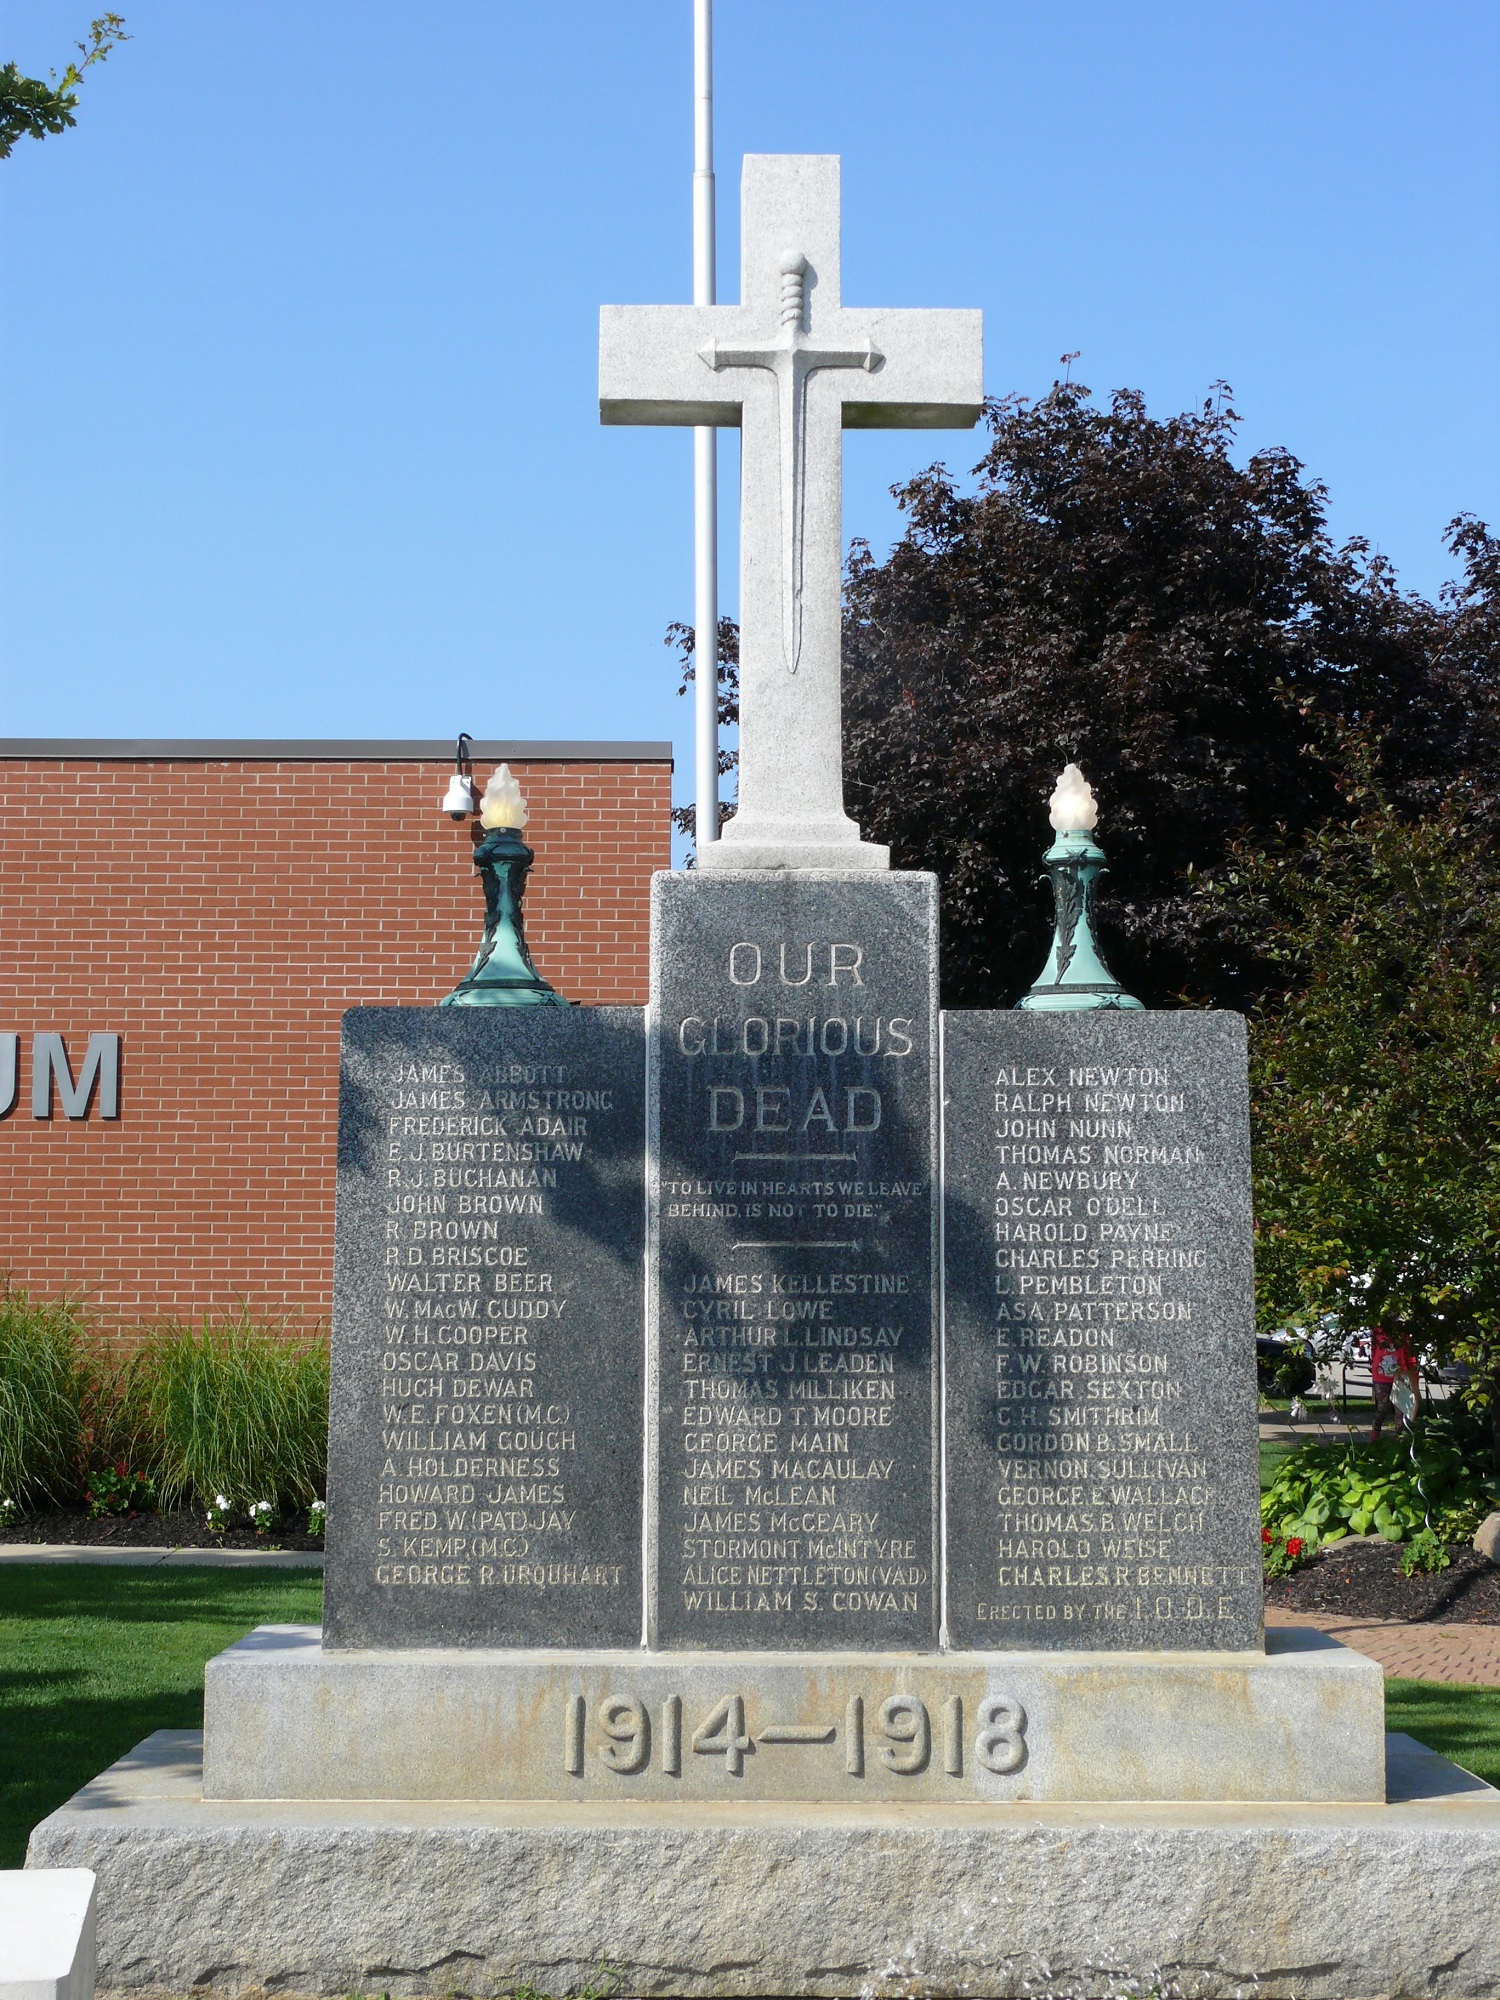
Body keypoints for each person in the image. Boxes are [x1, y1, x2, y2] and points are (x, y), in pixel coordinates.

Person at [1369, 1323, 1420, 1442]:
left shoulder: (1403, 1333)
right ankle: (1376, 1430)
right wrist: (1374, 1366)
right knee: (1382, 1407)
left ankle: (1399, 1439)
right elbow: (1373, 1350)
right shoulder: (1377, 1330)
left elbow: (1409, 1355)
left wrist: (1413, 1377)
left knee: (1401, 1411)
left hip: (1400, 1376)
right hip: (1381, 1376)